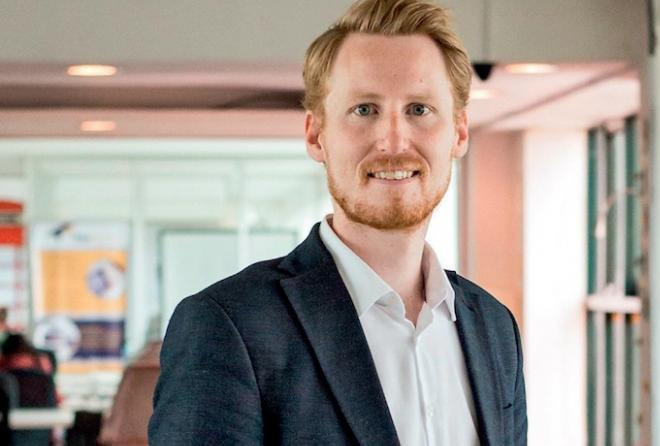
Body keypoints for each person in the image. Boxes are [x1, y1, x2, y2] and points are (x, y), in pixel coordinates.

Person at [149, 0, 527, 444]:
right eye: (364, 109)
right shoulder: (229, 325)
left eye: (419, 109)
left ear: (459, 133)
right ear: (316, 135)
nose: (393, 141)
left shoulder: (494, 328)